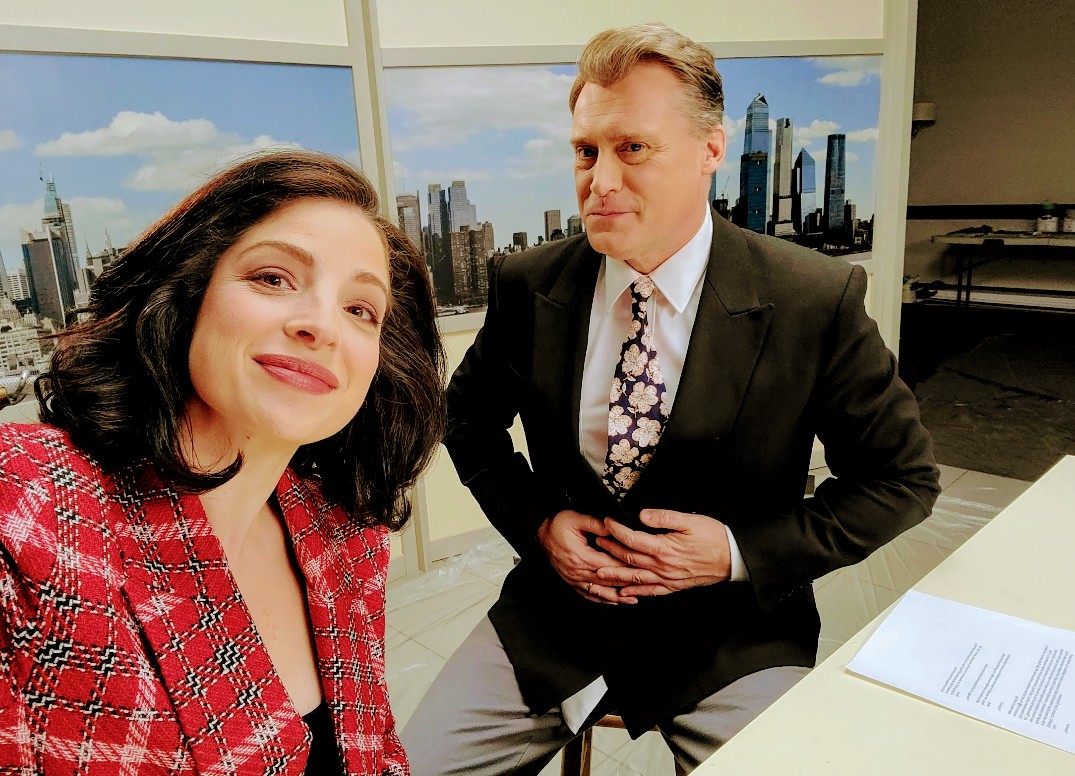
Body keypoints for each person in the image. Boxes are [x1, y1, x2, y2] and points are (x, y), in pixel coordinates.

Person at [401, 23, 940, 775]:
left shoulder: (812, 299)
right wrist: (540, 524)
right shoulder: (529, 283)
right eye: (585, 151)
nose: (600, 179)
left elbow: (901, 480)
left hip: (731, 635)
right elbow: (465, 417)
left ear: (711, 150)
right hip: (557, 621)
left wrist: (735, 553)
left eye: (633, 148)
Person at [0, 150, 446, 774]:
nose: (321, 326)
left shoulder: (345, 539)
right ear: (187, 292)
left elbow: (375, 752)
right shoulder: (29, 510)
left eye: (360, 310)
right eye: (273, 278)